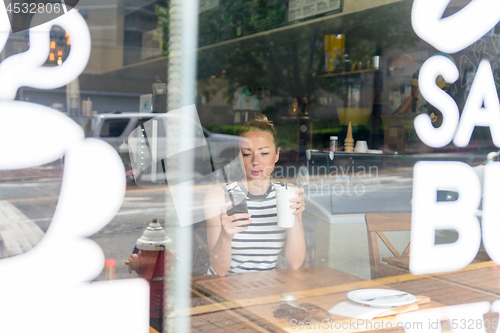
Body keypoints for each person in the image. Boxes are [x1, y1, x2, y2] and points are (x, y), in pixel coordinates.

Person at [203, 115, 306, 276]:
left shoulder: (288, 193)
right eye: (247, 154)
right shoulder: (219, 196)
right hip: (222, 290)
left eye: (264, 153)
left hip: (263, 290)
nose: (255, 161)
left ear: (277, 155)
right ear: (239, 156)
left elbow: (295, 263)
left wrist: (296, 219)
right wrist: (225, 236)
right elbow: (219, 270)